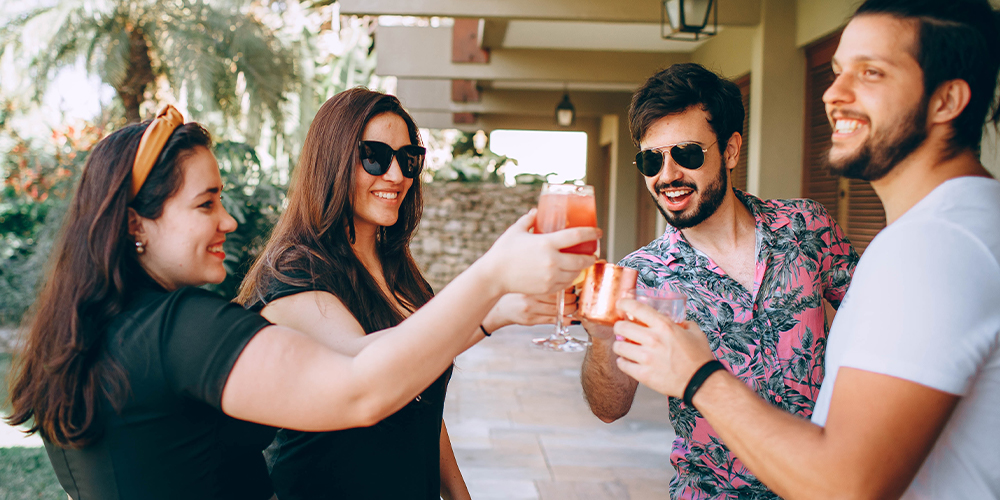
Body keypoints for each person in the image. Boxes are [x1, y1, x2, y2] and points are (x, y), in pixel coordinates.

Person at [4, 105, 598, 500]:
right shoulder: (182, 329)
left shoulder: (100, 330)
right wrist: (490, 277)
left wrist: (491, 313)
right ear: (136, 223)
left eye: (409, 158)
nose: (229, 221)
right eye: (206, 204)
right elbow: (363, 386)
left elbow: (386, 371)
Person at [612, 1, 1000, 498]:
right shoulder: (952, 230)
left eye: (871, 72)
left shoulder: (930, 249)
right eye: (837, 71)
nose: (833, 93)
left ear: (947, 100)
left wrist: (697, 375)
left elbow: (845, 484)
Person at [235, 88, 575, 500]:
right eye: (374, 156)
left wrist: (459, 495)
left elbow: (420, 402)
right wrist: (491, 288)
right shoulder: (294, 274)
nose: (397, 176)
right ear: (331, 163)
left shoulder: (400, 273)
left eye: (409, 158)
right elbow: (375, 371)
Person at [579, 62, 858, 499]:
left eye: (687, 154)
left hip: (822, 483)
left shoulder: (805, 225)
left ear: (729, 151)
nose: (667, 176)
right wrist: (601, 341)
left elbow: (876, 322)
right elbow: (609, 408)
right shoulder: (641, 274)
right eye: (651, 160)